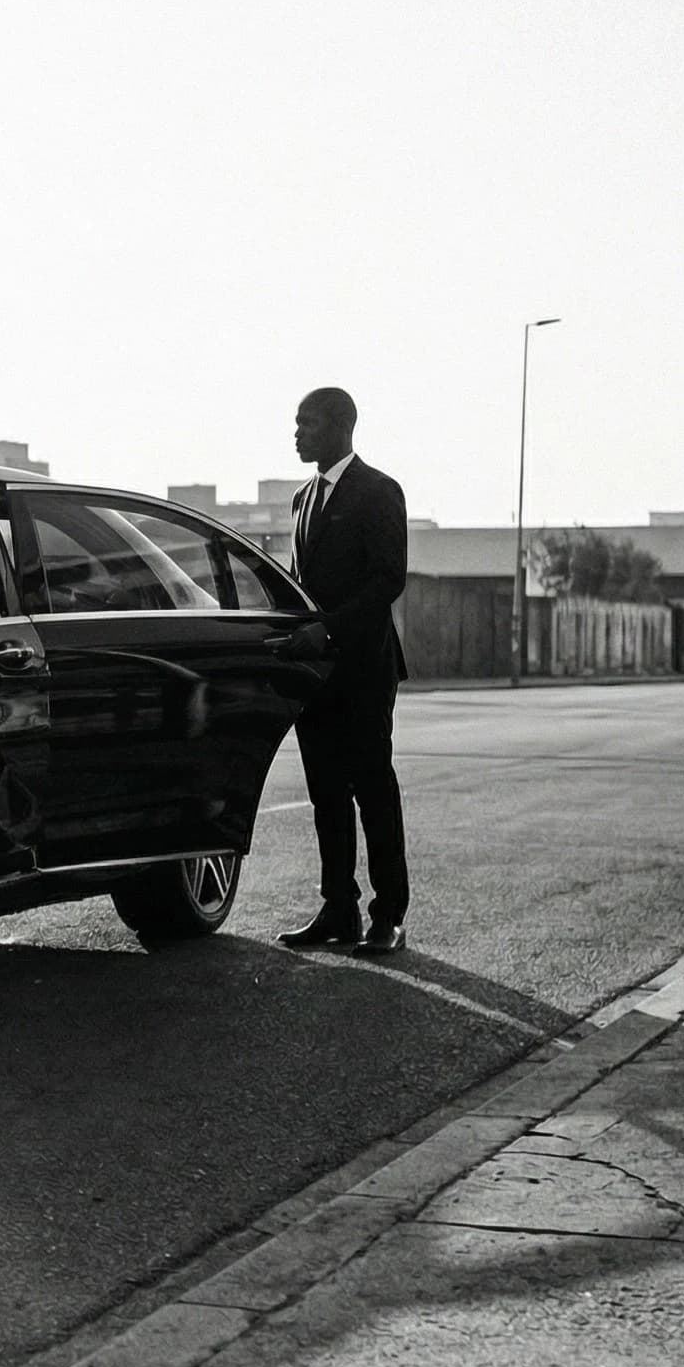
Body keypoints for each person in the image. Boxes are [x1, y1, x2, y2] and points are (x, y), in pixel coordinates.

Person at [274, 386, 411, 956]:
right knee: (325, 793)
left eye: (305, 422)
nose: (296, 433)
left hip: (363, 668)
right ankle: (339, 909)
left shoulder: (379, 492)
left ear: (339, 426)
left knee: (372, 790)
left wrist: (328, 629)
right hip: (317, 674)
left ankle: (388, 917)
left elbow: (388, 580)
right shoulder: (302, 498)